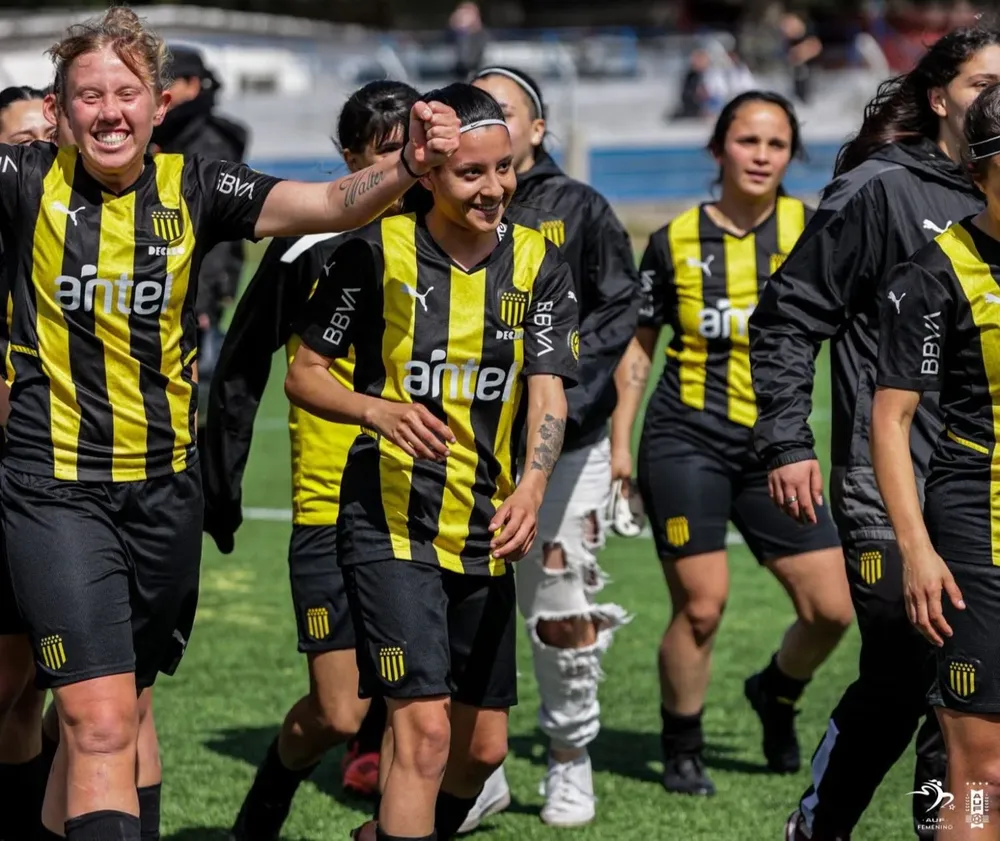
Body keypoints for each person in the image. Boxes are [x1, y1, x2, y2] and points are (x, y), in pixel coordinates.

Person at [0, 6, 460, 840]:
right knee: (98, 722)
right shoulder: (22, 179)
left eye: (126, 92)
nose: (109, 110)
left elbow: (328, 200)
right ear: (61, 113)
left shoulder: (199, 184)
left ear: (158, 106)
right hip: (55, 491)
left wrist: (409, 165)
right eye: (88, 95)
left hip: (163, 495)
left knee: (129, 708)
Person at [284, 82, 578, 841]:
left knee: (482, 748)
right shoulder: (374, 252)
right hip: (389, 522)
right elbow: (305, 373)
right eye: (470, 174)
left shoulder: (540, 263)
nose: (494, 189)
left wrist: (535, 480)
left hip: (486, 527)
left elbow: (548, 392)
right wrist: (378, 411)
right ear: (432, 176)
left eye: (504, 169)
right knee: (422, 735)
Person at [748, 24, 1000, 841]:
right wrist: (786, 439)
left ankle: (949, 825)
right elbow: (788, 314)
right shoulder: (882, 191)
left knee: (962, 693)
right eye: (980, 83)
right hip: (886, 478)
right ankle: (820, 826)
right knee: (905, 672)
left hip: (978, 485)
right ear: (938, 97)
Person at [610, 91, 852, 799]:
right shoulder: (674, 239)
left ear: (790, 156)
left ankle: (774, 692)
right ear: (719, 148)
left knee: (833, 608)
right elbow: (638, 352)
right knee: (703, 604)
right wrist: (622, 446)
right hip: (686, 438)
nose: (761, 155)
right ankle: (681, 745)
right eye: (747, 140)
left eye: (776, 144)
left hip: (780, 447)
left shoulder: (815, 232)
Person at [201, 79, 422, 840]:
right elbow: (239, 367)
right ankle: (268, 797)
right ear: (351, 157)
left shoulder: (449, 237)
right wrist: (220, 483)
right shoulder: (309, 245)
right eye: (384, 152)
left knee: (416, 704)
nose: (402, 167)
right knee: (339, 709)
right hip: (330, 501)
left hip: (427, 504)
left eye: (412, 150)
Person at [455, 65, 638, 831]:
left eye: (505, 112)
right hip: (459, 448)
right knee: (462, 612)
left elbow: (619, 307)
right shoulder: (437, 204)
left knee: (561, 607)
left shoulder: (579, 208)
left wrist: (548, 382)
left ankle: (571, 755)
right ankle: (477, 771)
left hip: (562, 447)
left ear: (536, 129)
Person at [873, 80, 1000, 841]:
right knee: (981, 773)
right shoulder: (935, 272)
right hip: (977, 538)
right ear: (983, 167)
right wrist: (916, 552)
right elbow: (891, 423)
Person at [0, 82, 54, 841]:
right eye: (17, 147)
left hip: (62, 484)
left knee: (36, 686)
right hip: (13, 473)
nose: (31, 161)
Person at [150, 44, 249, 456]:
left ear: (192, 85)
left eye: (165, 82)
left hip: (192, 296)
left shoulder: (206, 142)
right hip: (173, 288)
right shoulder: (175, 136)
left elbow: (215, 233)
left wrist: (204, 300)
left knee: (191, 403)